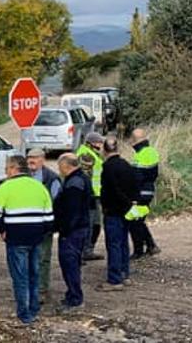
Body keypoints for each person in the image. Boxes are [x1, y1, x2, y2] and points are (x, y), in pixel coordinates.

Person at [0, 155, 53, 326]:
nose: (5, 171)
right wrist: (40, 232)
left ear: (13, 168)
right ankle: (33, 307)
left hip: (16, 238)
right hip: (36, 238)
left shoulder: (6, 187)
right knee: (34, 274)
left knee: (20, 276)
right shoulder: (39, 187)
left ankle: (24, 313)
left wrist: (2, 230)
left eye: (6, 168)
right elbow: (49, 218)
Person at [98, 137, 138, 291]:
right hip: (126, 211)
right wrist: (131, 204)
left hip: (113, 210)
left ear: (104, 150)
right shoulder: (125, 165)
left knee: (113, 244)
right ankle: (124, 273)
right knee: (123, 243)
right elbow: (134, 185)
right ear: (118, 149)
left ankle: (114, 279)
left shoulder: (107, 167)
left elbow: (112, 190)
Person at [53, 153, 92, 313]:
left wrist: (64, 229)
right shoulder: (80, 179)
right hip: (77, 229)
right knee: (71, 265)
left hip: (72, 232)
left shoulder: (74, 183)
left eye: (60, 166)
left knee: (70, 265)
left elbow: (72, 211)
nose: (59, 169)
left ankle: (75, 300)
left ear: (66, 166)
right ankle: (72, 295)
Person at [27, 148, 62, 305]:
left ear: (43, 159)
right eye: (29, 158)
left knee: (42, 258)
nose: (31, 161)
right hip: (25, 224)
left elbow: (56, 203)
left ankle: (42, 289)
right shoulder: (23, 177)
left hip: (43, 226)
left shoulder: (51, 179)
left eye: (34, 158)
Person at [129, 128, 162, 258]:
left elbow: (137, 177)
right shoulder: (150, 151)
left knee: (134, 220)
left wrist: (132, 194)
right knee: (139, 220)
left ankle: (139, 250)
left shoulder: (142, 154)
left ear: (135, 140)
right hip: (147, 191)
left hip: (141, 192)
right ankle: (150, 245)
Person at [76, 132, 105, 261]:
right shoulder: (86, 155)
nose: (101, 145)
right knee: (90, 224)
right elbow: (85, 177)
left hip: (95, 194)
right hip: (90, 195)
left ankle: (87, 250)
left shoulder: (92, 154)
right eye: (99, 142)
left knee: (95, 224)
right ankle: (84, 251)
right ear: (91, 143)